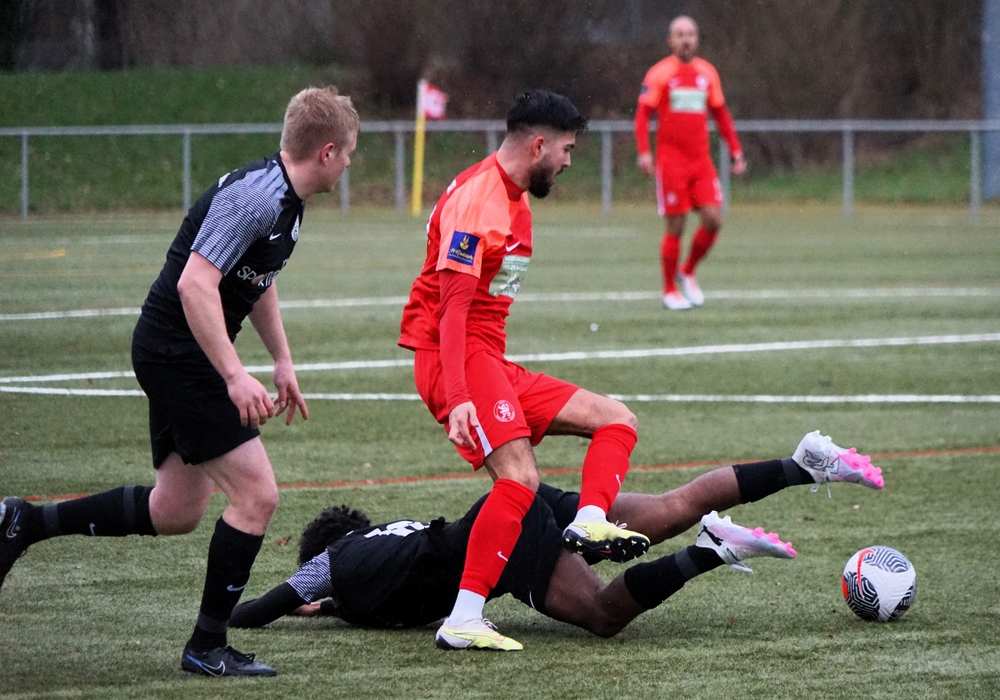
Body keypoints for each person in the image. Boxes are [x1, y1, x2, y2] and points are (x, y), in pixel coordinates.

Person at [0, 87, 360, 677]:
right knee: (257, 495)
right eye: (347, 153)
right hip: (178, 353)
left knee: (175, 510)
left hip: (177, 350)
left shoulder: (285, 202)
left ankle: (24, 522)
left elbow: (258, 278)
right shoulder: (258, 198)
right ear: (326, 152)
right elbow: (196, 284)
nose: (348, 164)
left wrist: (282, 360)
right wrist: (233, 373)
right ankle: (206, 646)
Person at [398, 90, 653, 651]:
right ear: (538, 145)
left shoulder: (514, 199)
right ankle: (463, 619)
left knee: (616, 419)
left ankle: (588, 521)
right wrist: (459, 396)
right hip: (455, 356)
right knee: (519, 479)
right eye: (566, 149)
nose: (568, 161)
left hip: (487, 358)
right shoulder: (480, 200)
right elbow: (452, 310)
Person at [229, 431, 883, 640]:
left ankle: (711, 551)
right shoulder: (375, 548)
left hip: (503, 537)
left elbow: (258, 609)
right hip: (517, 502)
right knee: (671, 505)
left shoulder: (332, 565)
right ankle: (802, 464)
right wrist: (331, 607)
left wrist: (222, 619)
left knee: (601, 614)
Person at [634, 15, 747, 311]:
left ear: (697, 39)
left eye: (691, 34)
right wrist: (644, 151)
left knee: (714, 219)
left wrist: (735, 150)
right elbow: (643, 115)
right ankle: (670, 291)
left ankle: (687, 271)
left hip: (701, 162)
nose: (686, 39)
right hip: (672, 162)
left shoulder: (707, 73)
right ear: (670, 41)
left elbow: (720, 114)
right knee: (677, 225)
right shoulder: (660, 73)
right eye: (680, 34)